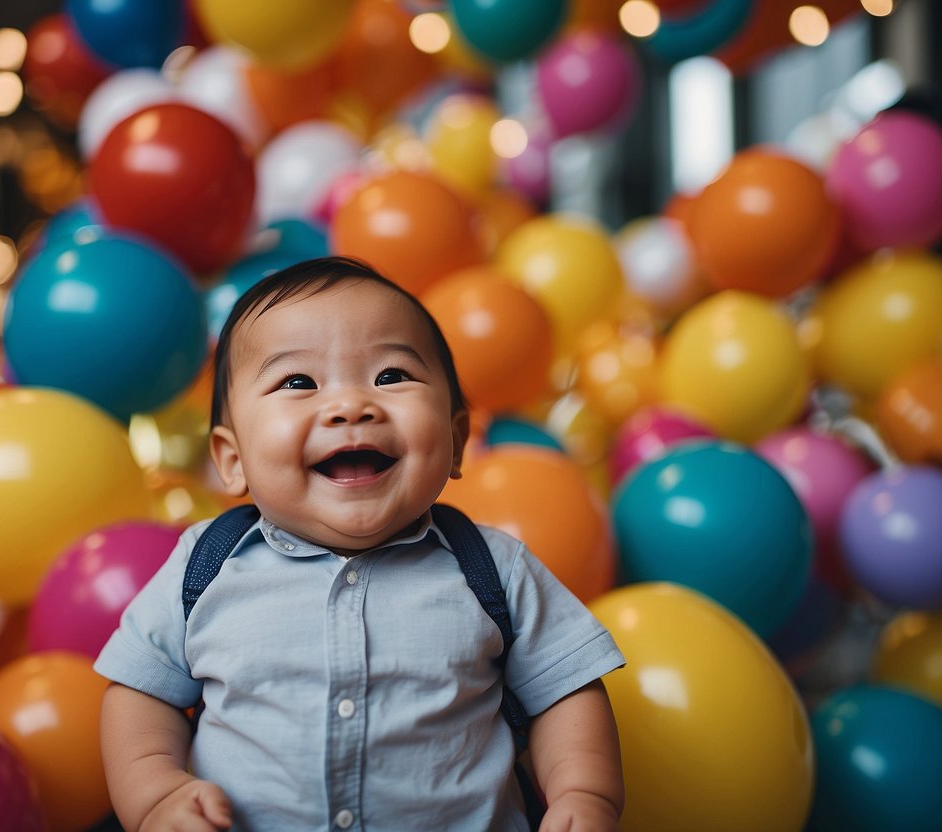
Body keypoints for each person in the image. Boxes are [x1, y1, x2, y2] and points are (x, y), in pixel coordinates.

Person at [94, 256, 626, 832]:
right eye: (298, 383)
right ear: (232, 460)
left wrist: (584, 791)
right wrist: (154, 793)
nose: (350, 406)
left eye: (391, 376)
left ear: (454, 442)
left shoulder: (493, 569)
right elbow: (141, 693)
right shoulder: (206, 565)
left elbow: (564, 691)